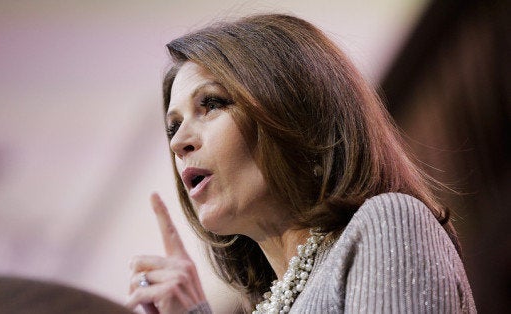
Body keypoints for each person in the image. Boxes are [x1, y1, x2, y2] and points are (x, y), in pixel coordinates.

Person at [127, 14, 476, 313]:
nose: (177, 141)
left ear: (292, 112)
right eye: (173, 126)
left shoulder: (388, 223)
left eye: (212, 103)